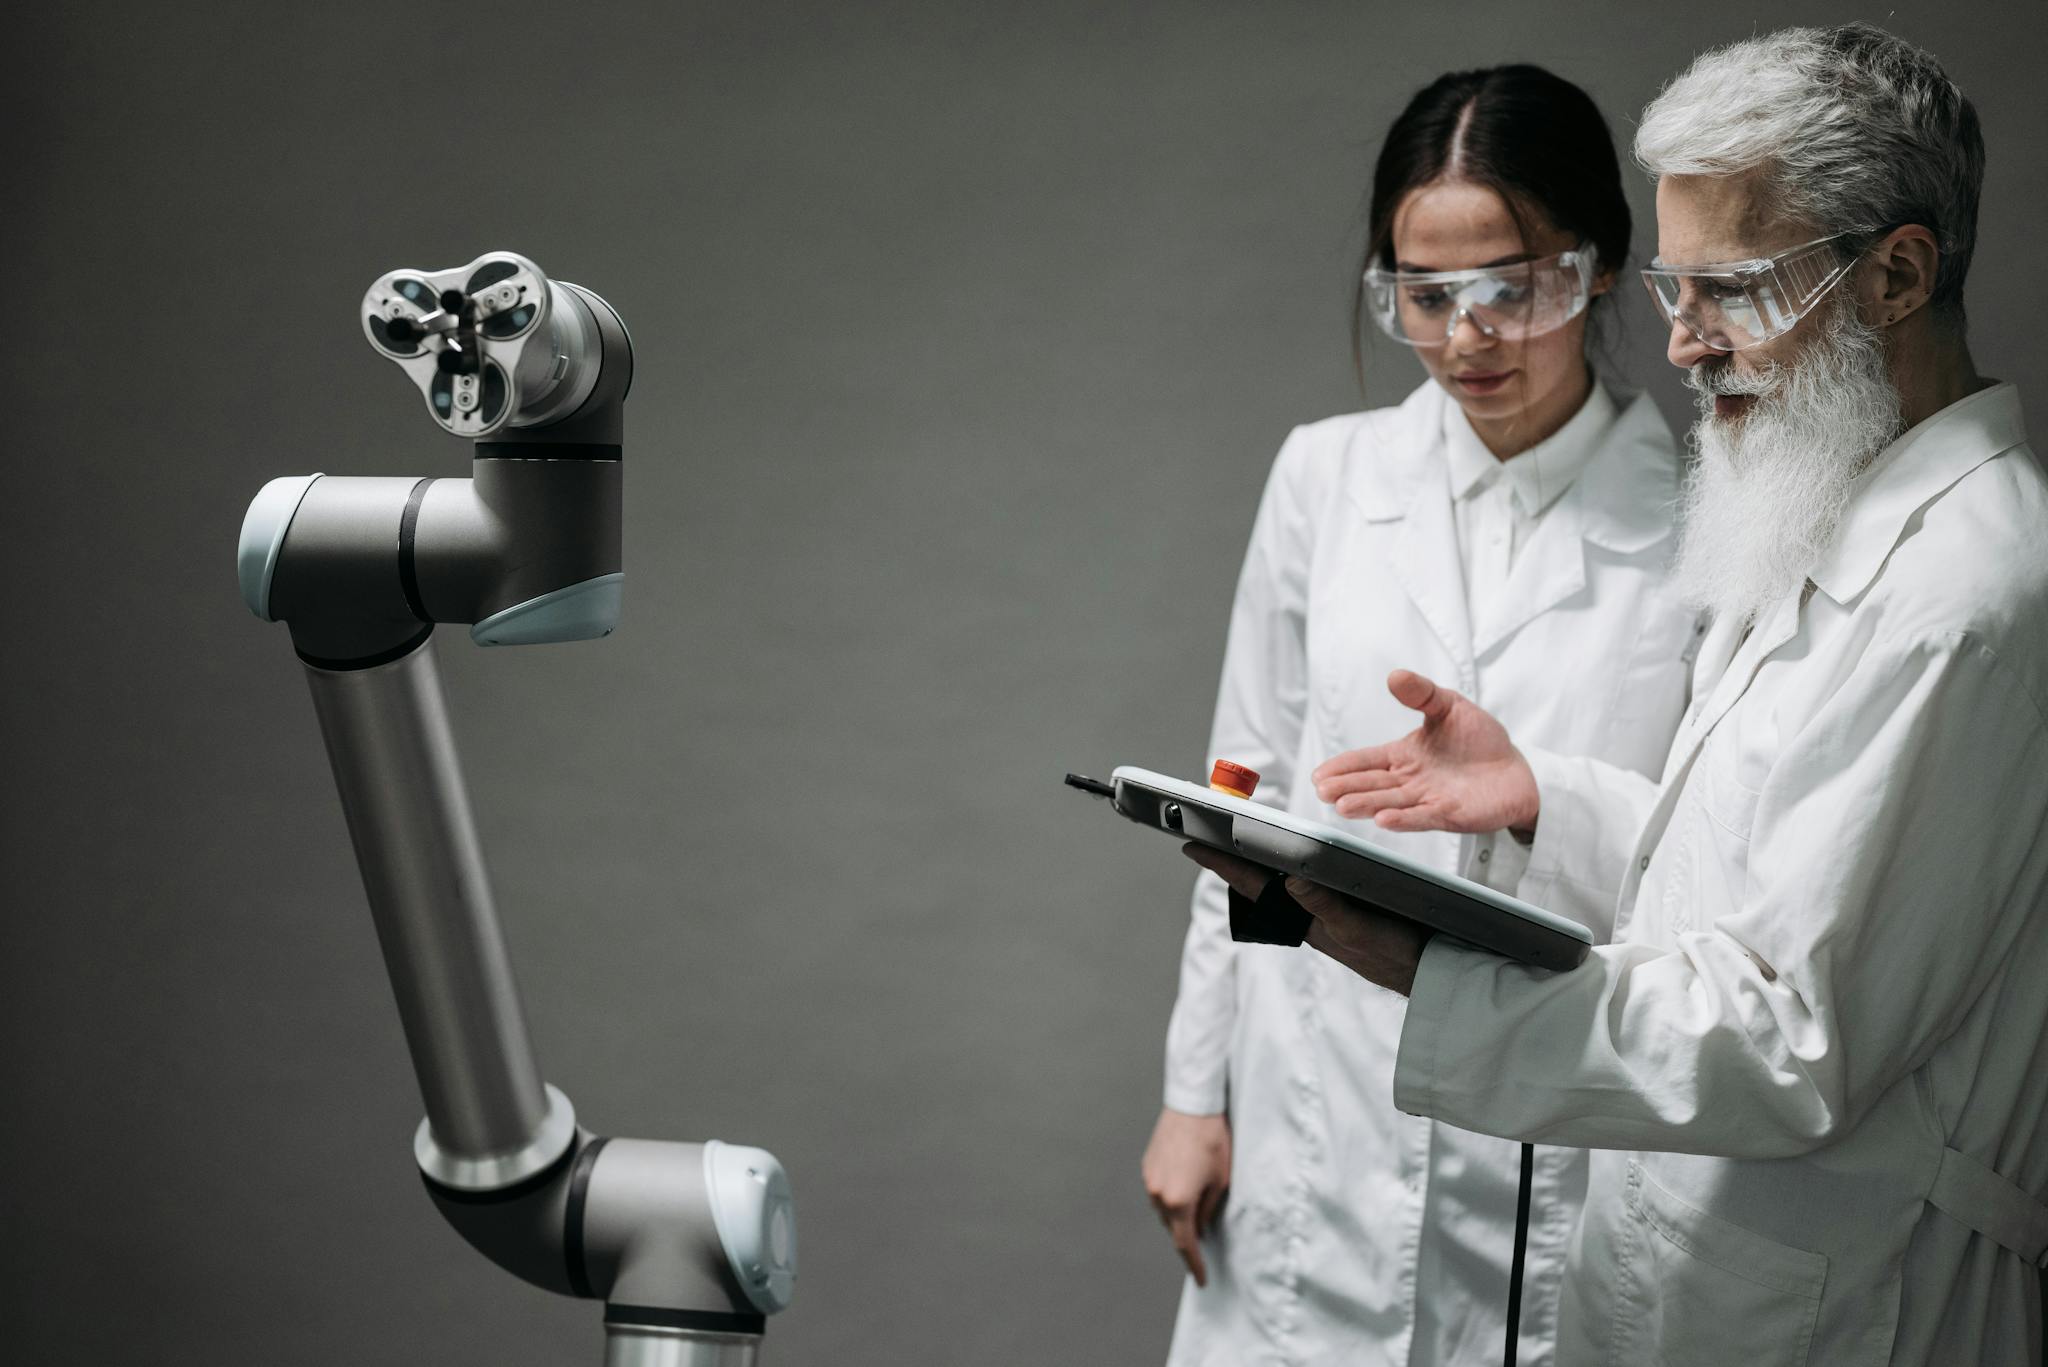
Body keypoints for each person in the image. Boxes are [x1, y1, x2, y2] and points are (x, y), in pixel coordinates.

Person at [1191, 24, 2048, 1366]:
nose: (1689, 344)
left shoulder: (1963, 601)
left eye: (1733, 290)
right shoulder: (1829, 516)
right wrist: (1552, 798)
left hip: (1839, 1290)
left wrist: (1429, 974)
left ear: (1896, 273)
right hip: (1690, 1247)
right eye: (1676, 285)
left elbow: (1787, 1034)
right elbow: (1744, 875)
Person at [1144, 65, 1698, 1367]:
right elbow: (1248, 798)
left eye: (1514, 286)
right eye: (1424, 296)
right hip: (1309, 1109)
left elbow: (1703, 867)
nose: (1469, 337)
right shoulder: (1327, 479)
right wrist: (1194, 1093)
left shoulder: (1699, 522)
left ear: (1602, 265)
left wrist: (1539, 799)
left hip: (1546, 1125)